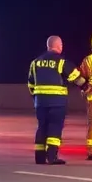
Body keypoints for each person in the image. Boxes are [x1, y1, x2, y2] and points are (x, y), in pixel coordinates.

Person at [27, 35, 85, 165]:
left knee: (41, 126)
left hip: (40, 102)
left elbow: (31, 84)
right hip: (57, 102)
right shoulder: (61, 62)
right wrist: (85, 85)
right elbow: (76, 77)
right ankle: (52, 156)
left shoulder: (35, 62)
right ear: (59, 46)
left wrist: (36, 97)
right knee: (55, 127)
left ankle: (40, 157)